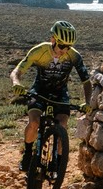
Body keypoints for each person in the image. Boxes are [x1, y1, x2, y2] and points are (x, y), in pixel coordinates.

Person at [10, 19, 93, 171]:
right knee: (34, 122)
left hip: (60, 93)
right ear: (53, 39)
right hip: (39, 90)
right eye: (62, 45)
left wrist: (87, 102)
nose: (65, 50)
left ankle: (59, 163)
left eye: (69, 46)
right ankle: (28, 153)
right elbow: (17, 71)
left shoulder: (74, 56)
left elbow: (87, 82)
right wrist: (16, 83)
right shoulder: (40, 50)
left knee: (62, 125)